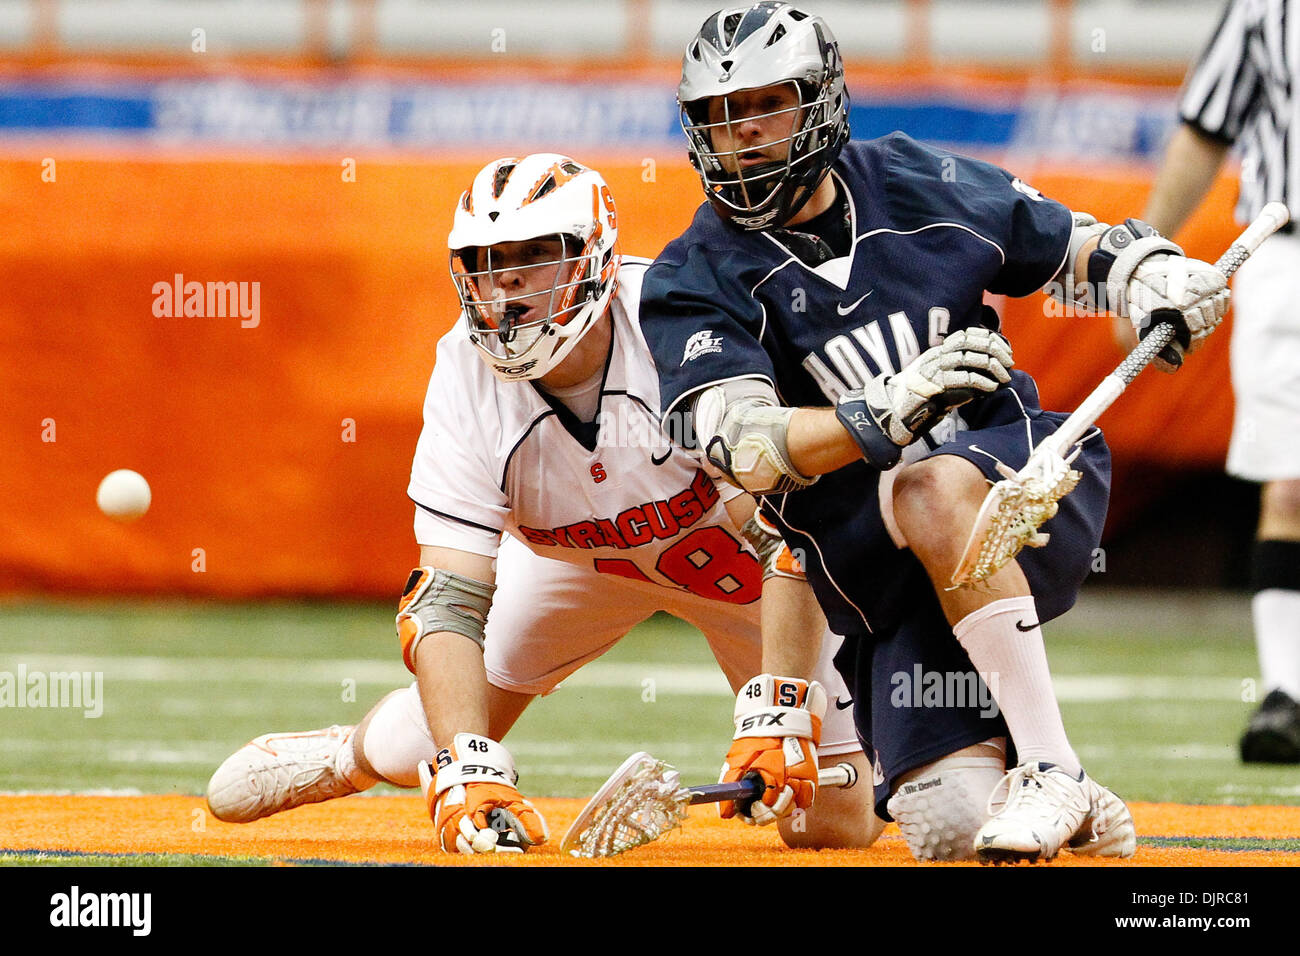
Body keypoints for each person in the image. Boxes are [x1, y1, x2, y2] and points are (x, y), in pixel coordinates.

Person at [640, 2, 1229, 862]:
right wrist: (873, 414)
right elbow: (749, 446)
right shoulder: (693, 276)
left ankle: (1053, 765)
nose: (745, 137)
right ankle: (1079, 802)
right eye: (720, 119)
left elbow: (1066, 246)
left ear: (822, 101)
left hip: (1021, 477)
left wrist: (1149, 271)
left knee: (931, 483)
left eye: (766, 106)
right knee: (951, 827)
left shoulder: (911, 177)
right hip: (879, 569)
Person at [205, 152, 879, 854]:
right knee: (425, 740)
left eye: (533, 256)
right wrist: (466, 769)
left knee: (832, 825)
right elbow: (445, 598)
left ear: (594, 257)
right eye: (488, 261)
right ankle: (350, 757)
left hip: (748, 575)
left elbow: (788, 540)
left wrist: (777, 711)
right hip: (583, 564)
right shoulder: (464, 368)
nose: (509, 283)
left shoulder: (680, 321)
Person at [1126, 0, 1300, 763]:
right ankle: (1286, 692)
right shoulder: (1266, 6)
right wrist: (1146, 252)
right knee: (1289, 480)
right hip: (1289, 255)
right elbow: (1205, 124)